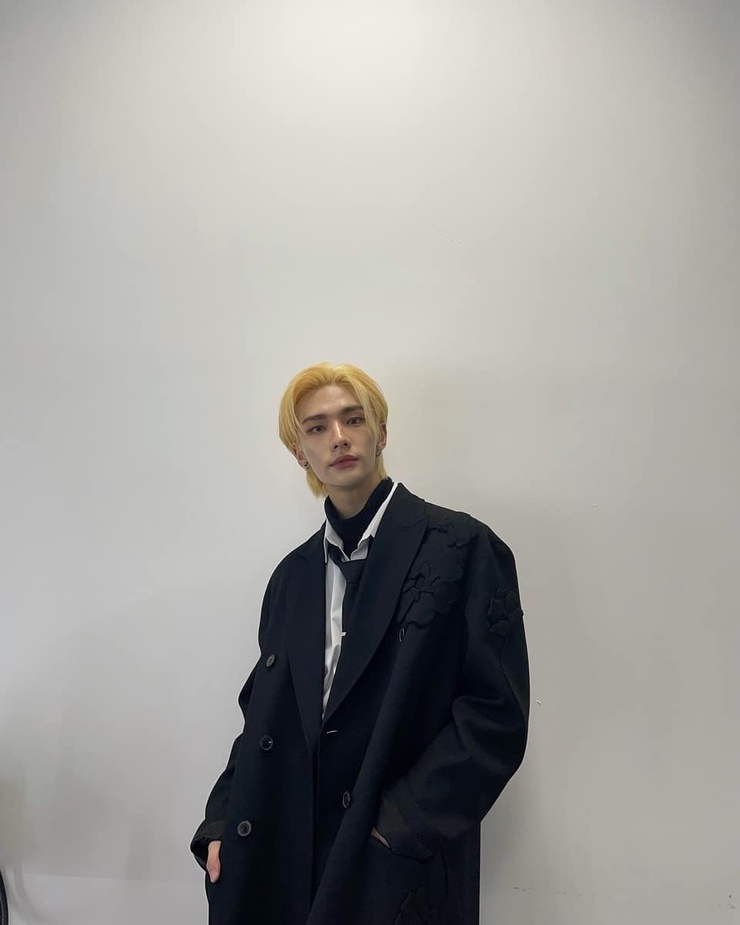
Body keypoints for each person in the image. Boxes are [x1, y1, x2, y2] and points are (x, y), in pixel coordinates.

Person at [190, 362, 529, 925]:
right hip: (284, 853)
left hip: (392, 860)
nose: (339, 438)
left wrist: (399, 827)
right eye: (317, 427)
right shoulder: (292, 577)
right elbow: (263, 718)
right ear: (300, 453)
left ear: (381, 432)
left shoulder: (462, 548)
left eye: (354, 419)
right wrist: (222, 820)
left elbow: (495, 717)